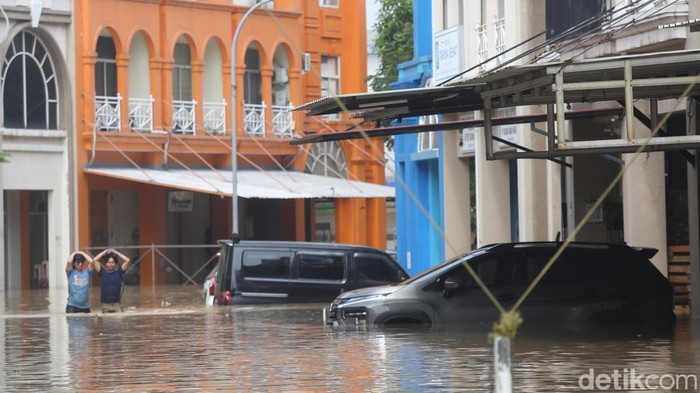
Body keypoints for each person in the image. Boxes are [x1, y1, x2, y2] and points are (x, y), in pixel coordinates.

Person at [94, 248, 131, 313]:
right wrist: (105, 251)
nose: (110, 264)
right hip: (105, 306)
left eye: (112, 262)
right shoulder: (102, 272)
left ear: (115, 264)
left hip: (117, 305)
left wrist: (116, 252)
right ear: (105, 263)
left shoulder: (119, 272)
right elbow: (94, 260)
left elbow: (127, 260)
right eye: (108, 262)